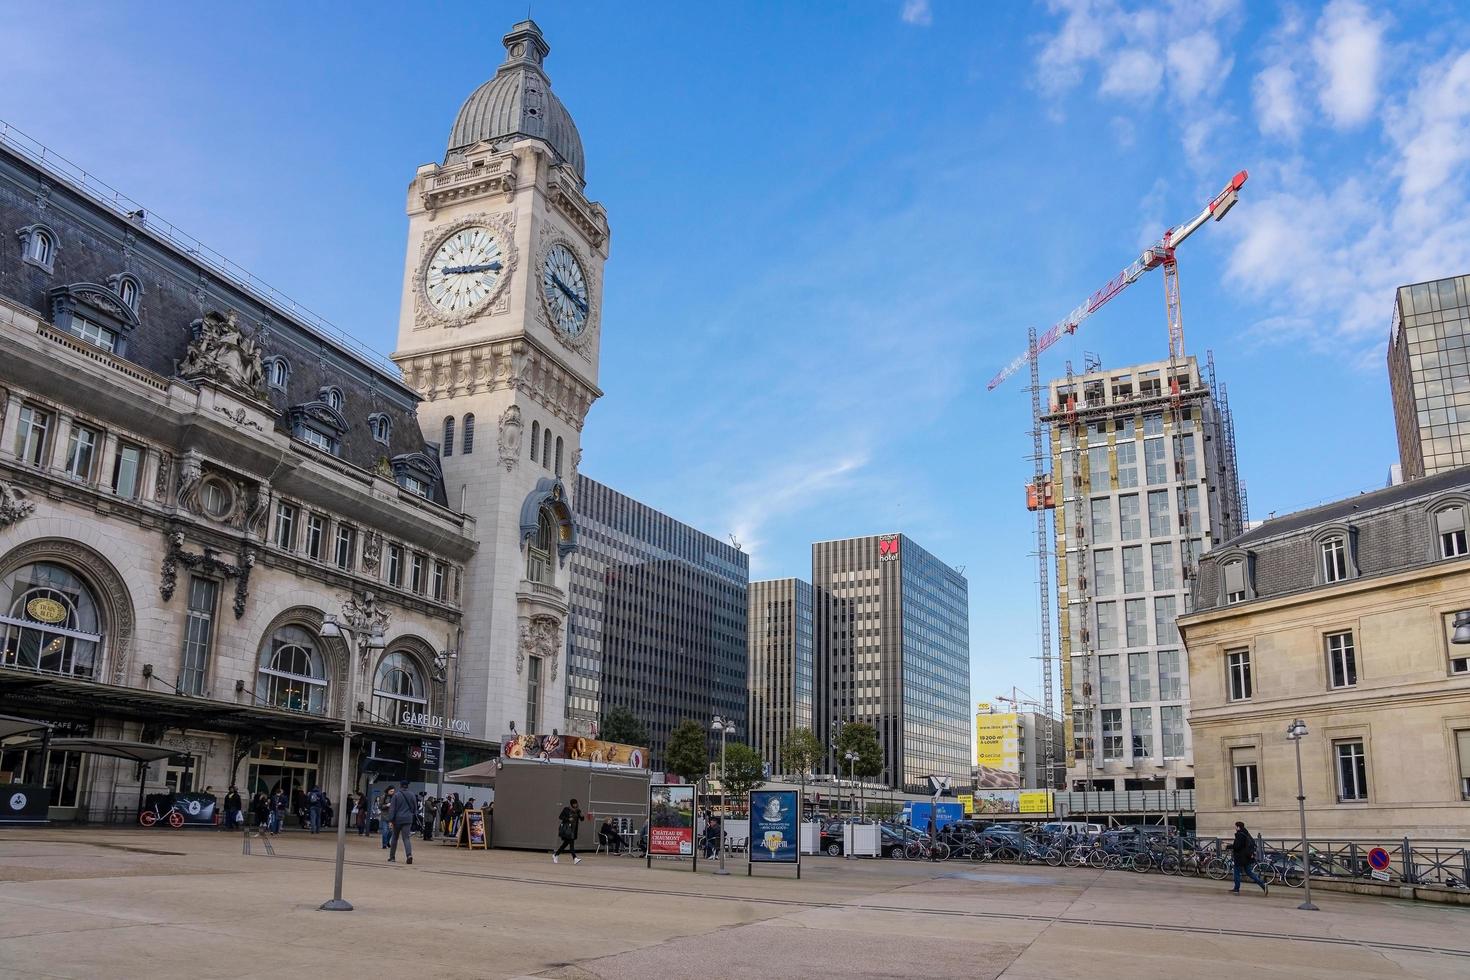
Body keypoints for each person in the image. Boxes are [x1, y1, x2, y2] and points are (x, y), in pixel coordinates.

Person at [1230, 821, 1269, 896]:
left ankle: (1236, 889)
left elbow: (1237, 847)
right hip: (1247, 857)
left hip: (1240, 858)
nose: (1235, 828)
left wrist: (1228, 846)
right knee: (1249, 873)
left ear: (1238, 827)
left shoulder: (1239, 835)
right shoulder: (1246, 833)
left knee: (1237, 873)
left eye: (1235, 826)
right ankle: (1263, 885)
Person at [386, 779, 416, 865]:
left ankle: (392, 857)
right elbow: (414, 808)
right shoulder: (412, 795)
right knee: (406, 838)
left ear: (400, 785)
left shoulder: (396, 795)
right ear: (407, 786)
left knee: (395, 838)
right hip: (408, 819)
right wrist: (411, 814)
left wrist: (391, 820)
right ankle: (409, 855)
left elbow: (392, 809)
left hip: (398, 819)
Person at [552, 797, 585, 864]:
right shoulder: (566, 809)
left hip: (574, 830)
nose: (576, 805)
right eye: (574, 804)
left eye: (576, 804)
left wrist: (582, 816)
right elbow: (560, 817)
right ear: (571, 804)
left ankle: (556, 854)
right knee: (571, 845)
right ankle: (575, 858)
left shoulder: (578, 811)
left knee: (565, 844)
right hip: (567, 829)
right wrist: (568, 819)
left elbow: (582, 819)